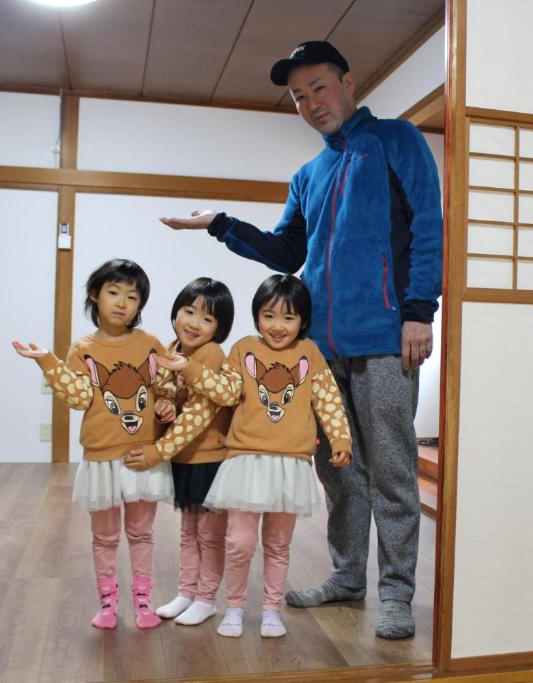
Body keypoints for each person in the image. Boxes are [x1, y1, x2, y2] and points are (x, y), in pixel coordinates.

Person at [158, 40, 442, 639]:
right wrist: (220, 225)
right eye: (298, 95)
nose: (311, 102)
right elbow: (289, 253)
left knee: (391, 466)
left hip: (389, 337)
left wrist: (419, 310)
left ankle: (396, 592)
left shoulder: (397, 141)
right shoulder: (308, 175)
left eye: (319, 87)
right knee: (338, 468)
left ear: (348, 82)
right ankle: (347, 576)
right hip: (317, 350)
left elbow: (426, 225)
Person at [164, 274, 352, 639]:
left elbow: (328, 399)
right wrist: (190, 369)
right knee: (239, 542)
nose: (278, 326)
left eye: (288, 318)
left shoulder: (310, 353)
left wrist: (340, 438)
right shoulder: (243, 349)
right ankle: (233, 608)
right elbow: (226, 391)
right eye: (268, 315)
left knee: (279, 544)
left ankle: (271, 611)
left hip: (291, 465)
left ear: (303, 321)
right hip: (245, 461)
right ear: (256, 316)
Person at [12, 258, 172, 630]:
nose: (122, 302)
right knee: (104, 536)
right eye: (113, 293)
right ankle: (107, 603)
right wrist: (47, 363)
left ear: (140, 305)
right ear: (94, 296)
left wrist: (166, 404)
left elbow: (166, 386)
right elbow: (79, 398)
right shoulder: (82, 347)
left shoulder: (150, 343)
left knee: (142, 532)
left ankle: (144, 603)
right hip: (101, 457)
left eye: (132, 296)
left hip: (141, 456)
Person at [124, 277, 235, 628]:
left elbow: (200, 416)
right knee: (189, 531)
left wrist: (157, 452)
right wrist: (166, 404)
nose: (194, 323)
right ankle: (187, 592)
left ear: (219, 328)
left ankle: (206, 598)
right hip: (185, 457)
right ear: (176, 311)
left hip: (211, 458)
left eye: (207, 319)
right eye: (189, 311)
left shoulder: (211, 354)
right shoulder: (172, 349)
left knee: (209, 534)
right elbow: (167, 393)